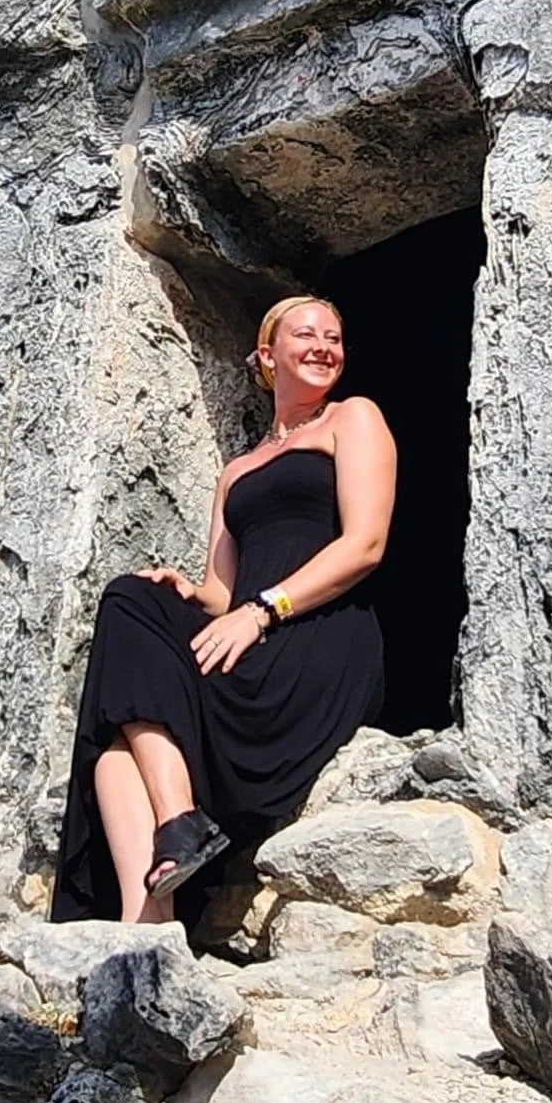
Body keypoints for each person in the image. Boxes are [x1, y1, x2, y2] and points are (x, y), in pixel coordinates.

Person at [49, 294, 395, 926]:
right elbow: (220, 590)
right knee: (128, 611)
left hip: (317, 637)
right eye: (307, 335)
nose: (325, 346)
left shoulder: (353, 419)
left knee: (134, 675)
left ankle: (181, 823)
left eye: (335, 337)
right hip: (246, 636)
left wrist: (264, 610)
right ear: (268, 355)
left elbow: (366, 545)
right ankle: (146, 925)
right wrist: (183, 590)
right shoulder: (236, 471)